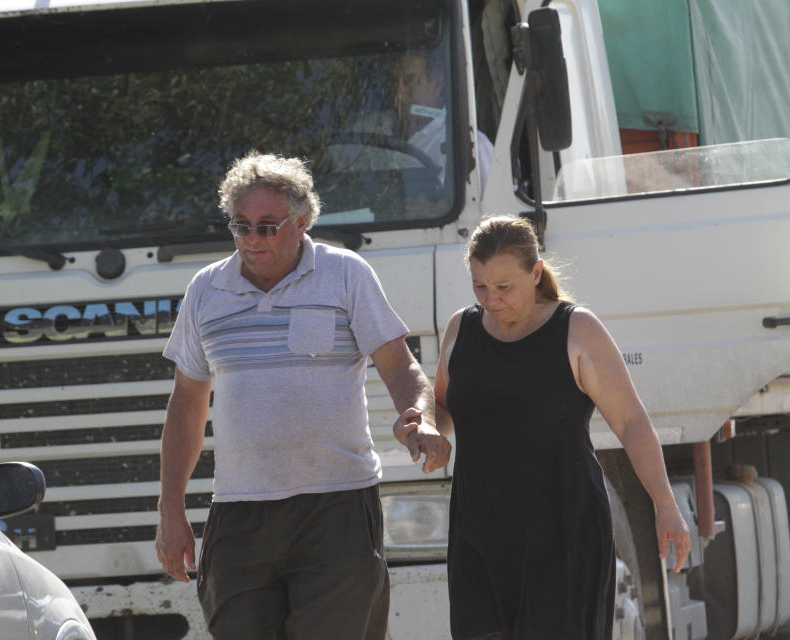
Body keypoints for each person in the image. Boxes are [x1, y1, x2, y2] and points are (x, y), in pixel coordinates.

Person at [155, 150, 451, 639]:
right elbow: (187, 403)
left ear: (303, 221)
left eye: (267, 226)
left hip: (335, 508)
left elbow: (400, 366)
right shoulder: (206, 290)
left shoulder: (346, 273)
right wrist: (170, 509)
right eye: (240, 225)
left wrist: (421, 416)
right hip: (239, 511)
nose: (251, 239)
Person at [433, 215, 690, 639]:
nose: (491, 299)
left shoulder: (576, 329)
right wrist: (424, 426)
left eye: (503, 287)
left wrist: (665, 503)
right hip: (478, 534)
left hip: (564, 533)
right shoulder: (462, 328)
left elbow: (630, 421)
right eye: (480, 286)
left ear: (535, 273)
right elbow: (442, 407)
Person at [394, 49, 494, 190]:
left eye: (410, 82)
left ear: (437, 85)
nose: (400, 96)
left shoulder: (472, 147)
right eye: (395, 83)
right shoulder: (380, 135)